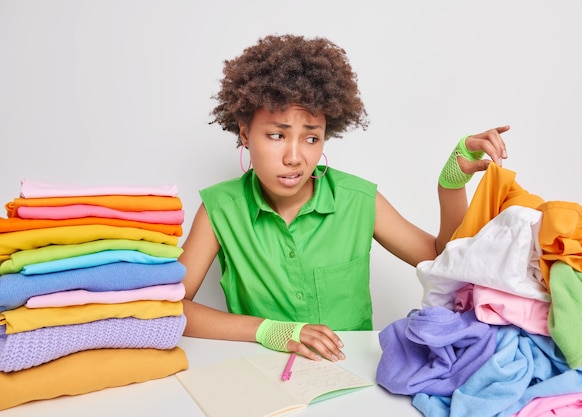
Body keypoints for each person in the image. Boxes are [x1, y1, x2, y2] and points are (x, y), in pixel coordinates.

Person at [180, 34, 508, 362]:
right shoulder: (219, 210)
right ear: (245, 133)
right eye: (277, 135)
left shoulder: (358, 200)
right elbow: (169, 307)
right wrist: (267, 330)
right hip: (263, 376)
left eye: (311, 137)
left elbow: (442, 260)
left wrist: (450, 187)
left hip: (351, 372)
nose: (294, 157)